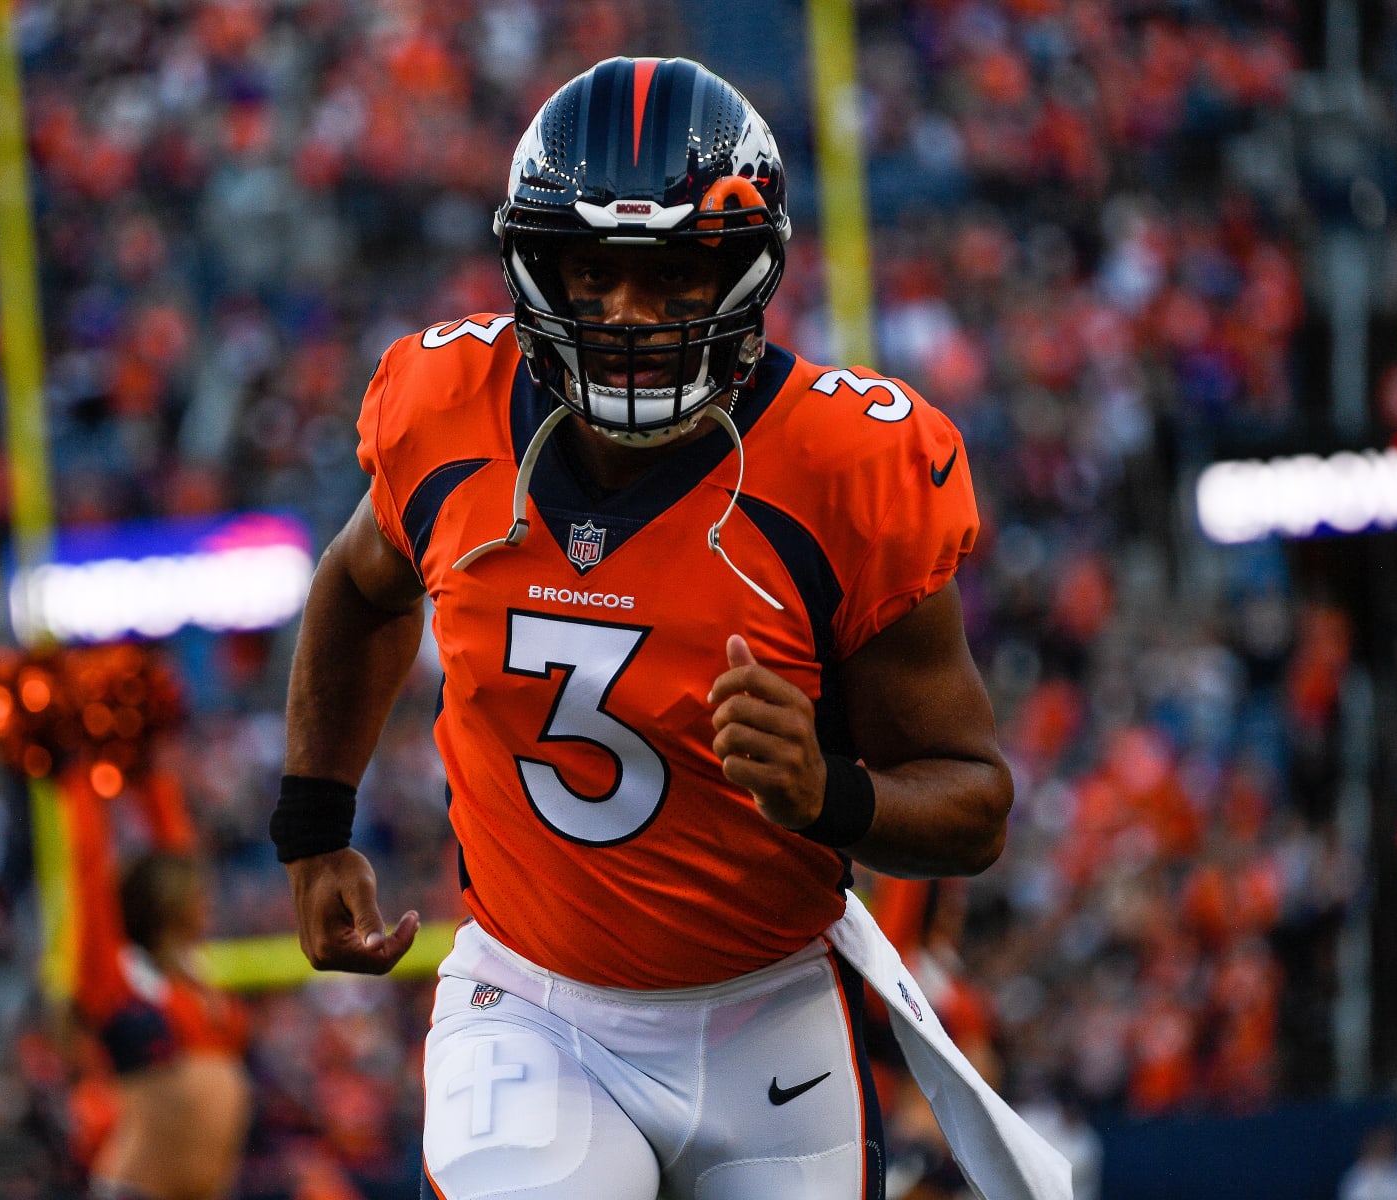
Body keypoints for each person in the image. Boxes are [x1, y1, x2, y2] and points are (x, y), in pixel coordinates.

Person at [273, 56, 1068, 1200]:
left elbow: (973, 802)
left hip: (770, 1012)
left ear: (747, 276)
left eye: (675, 279)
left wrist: (828, 793)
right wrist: (313, 823)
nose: (628, 319)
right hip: (534, 1009)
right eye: (593, 275)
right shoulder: (445, 416)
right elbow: (357, 588)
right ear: (536, 267)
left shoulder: (844, 471)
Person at [87, 852, 252, 1200]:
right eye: (198, 893)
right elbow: (89, 876)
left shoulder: (199, 973)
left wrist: (159, 795)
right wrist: (81, 802)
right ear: (171, 901)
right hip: (139, 1189)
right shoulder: (127, 978)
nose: (209, 901)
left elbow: (179, 843)